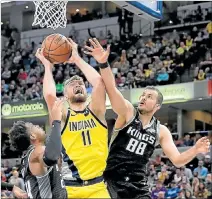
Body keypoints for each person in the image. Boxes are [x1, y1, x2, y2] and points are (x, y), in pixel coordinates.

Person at [84, 38, 210, 199]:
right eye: (143, 95)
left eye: (149, 96)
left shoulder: (161, 131)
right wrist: (103, 63)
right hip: (111, 182)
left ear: (157, 106)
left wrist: (196, 150)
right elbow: (111, 88)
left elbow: (177, 160)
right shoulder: (128, 113)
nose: (143, 98)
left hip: (138, 186)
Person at [35, 38, 110, 198]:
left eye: (81, 83)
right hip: (70, 189)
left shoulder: (96, 110)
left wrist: (76, 58)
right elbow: (49, 95)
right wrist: (47, 67)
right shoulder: (62, 115)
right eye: (72, 84)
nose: (77, 84)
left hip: (98, 188)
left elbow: (99, 82)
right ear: (66, 95)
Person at [8, 98, 67, 199]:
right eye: (34, 126)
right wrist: (56, 121)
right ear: (33, 136)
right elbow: (52, 157)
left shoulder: (28, 156)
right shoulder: (36, 152)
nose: (39, 126)